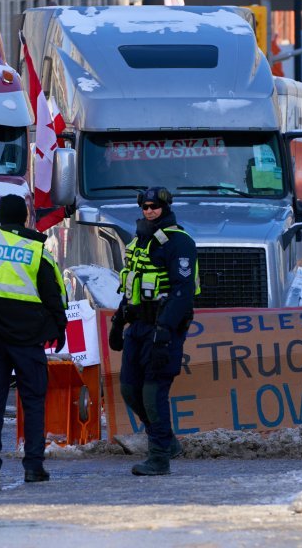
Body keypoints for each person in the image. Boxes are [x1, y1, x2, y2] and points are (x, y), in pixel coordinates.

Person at [0, 194, 68, 483]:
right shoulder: (36, 249)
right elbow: (52, 293)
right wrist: (60, 326)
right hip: (28, 339)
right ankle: (34, 466)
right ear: (25, 218)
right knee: (32, 402)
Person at [108, 186, 199, 476]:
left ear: (165, 207)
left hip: (164, 329)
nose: (149, 211)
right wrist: (118, 322)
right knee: (129, 389)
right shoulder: (140, 241)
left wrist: (165, 330)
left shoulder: (179, 242)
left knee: (153, 393)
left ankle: (159, 457)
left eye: (154, 206)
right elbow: (131, 285)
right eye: (145, 207)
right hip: (138, 327)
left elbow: (183, 292)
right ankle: (167, 441)